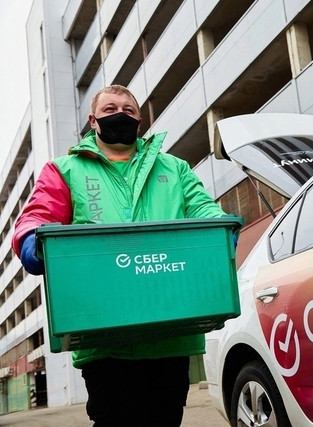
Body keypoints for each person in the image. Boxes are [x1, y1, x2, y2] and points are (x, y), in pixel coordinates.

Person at [12, 85, 227, 426]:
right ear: (93, 120)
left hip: (170, 330)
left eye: (128, 110)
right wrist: (30, 241)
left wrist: (222, 234)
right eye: (110, 109)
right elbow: (38, 215)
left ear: (139, 121)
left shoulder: (174, 168)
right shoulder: (66, 170)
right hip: (103, 335)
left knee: (165, 419)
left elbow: (204, 209)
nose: (120, 115)